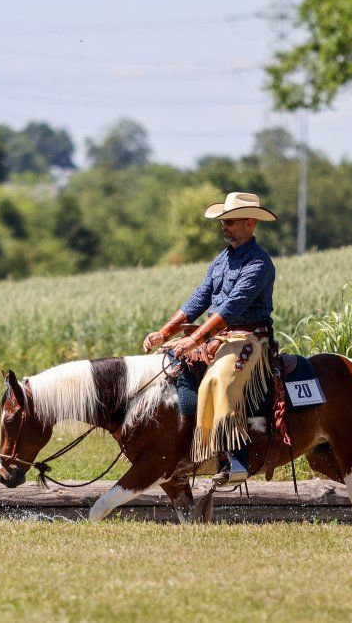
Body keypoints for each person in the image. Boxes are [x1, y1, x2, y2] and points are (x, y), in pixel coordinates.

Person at [143, 191, 278, 485]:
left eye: (230, 221)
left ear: (250, 223)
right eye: (222, 222)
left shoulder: (259, 264)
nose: (224, 226)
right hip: (217, 336)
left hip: (248, 339)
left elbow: (230, 309)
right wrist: (165, 332)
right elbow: (198, 299)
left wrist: (193, 340)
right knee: (170, 361)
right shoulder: (221, 260)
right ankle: (189, 445)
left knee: (220, 379)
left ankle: (237, 459)